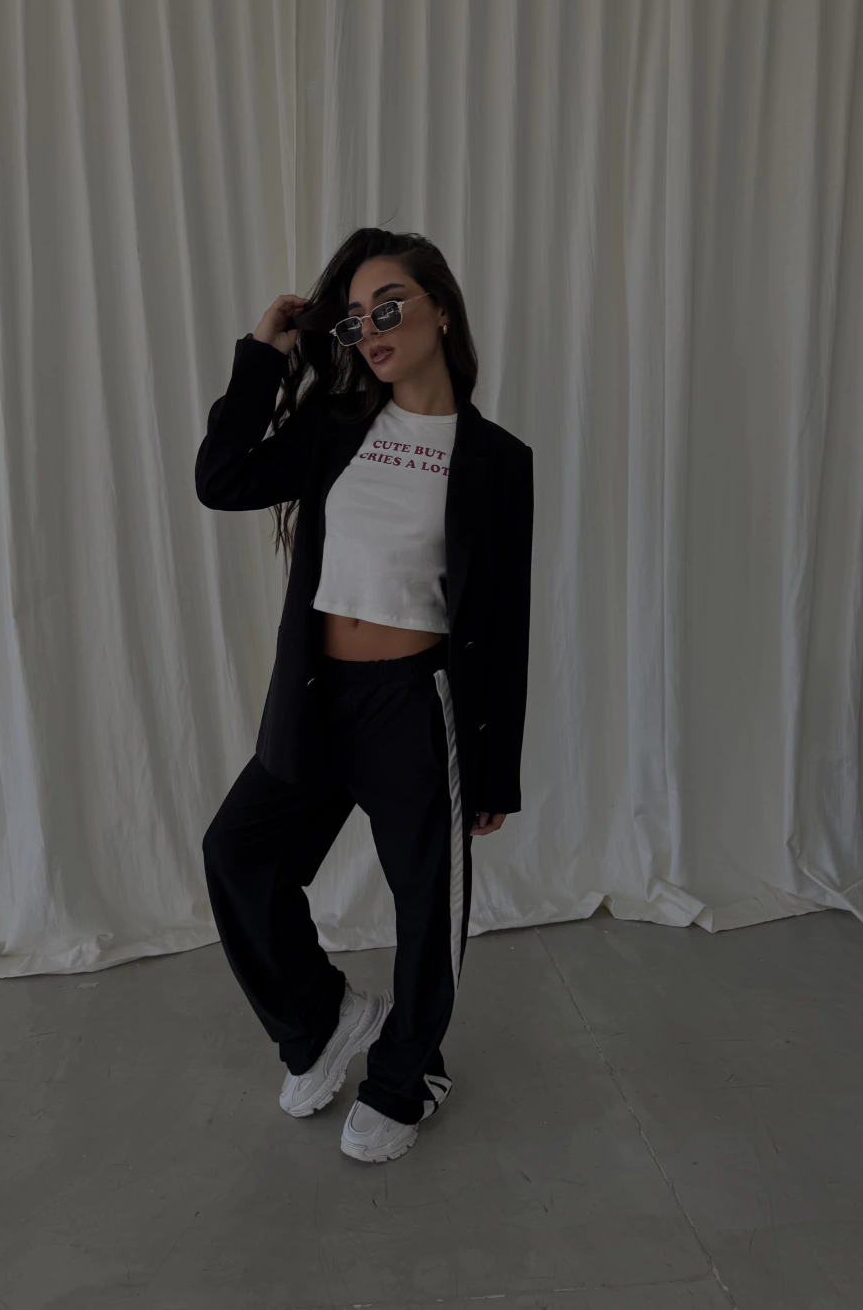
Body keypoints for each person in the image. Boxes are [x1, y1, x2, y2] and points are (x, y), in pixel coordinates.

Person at [196, 229, 534, 1163]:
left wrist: (495, 768)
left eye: (389, 307)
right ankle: (321, 1020)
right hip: (316, 694)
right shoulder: (336, 428)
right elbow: (221, 478)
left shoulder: (496, 459)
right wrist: (264, 355)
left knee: (426, 906)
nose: (372, 330)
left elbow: (505, 623)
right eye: (354, 320)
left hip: (418, 707)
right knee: (238, 854)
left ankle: (406, 1077)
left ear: (441, 310)